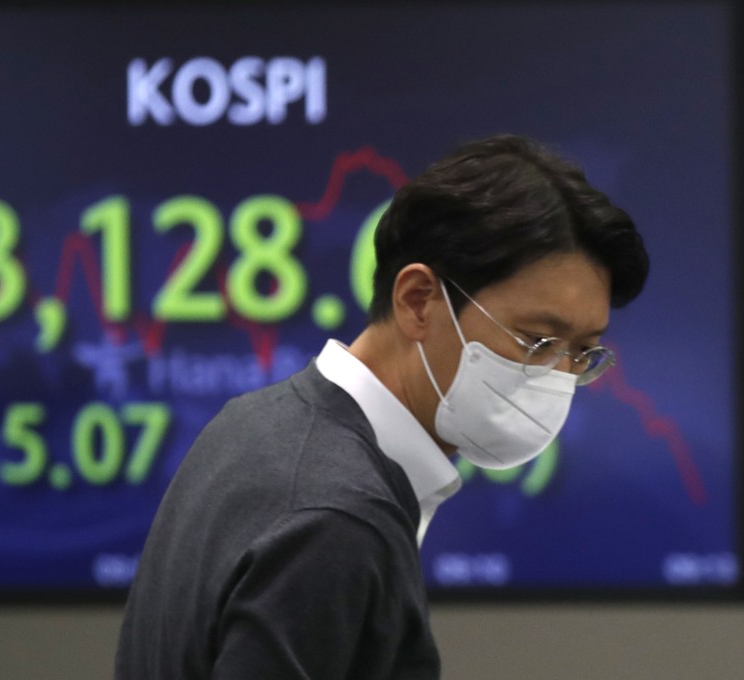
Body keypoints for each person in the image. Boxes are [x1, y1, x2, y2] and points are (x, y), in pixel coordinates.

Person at [114, 133, 650, 679]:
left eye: (582, 353)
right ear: (418, 300)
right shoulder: (332, 522)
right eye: (537, 341)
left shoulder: (255, 424)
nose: (558, 377)